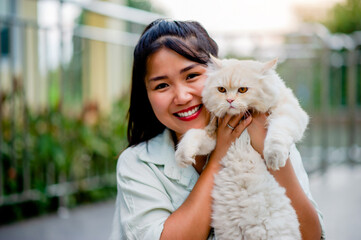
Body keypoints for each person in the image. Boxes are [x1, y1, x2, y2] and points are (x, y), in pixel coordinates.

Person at [109, 18, 324, 240]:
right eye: (162, 85)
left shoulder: (274, 133)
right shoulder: (137, 163)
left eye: (192, 76)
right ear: (146, 94)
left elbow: (312, 234)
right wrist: (218, 157)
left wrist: (272, 157)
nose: (182, 97)